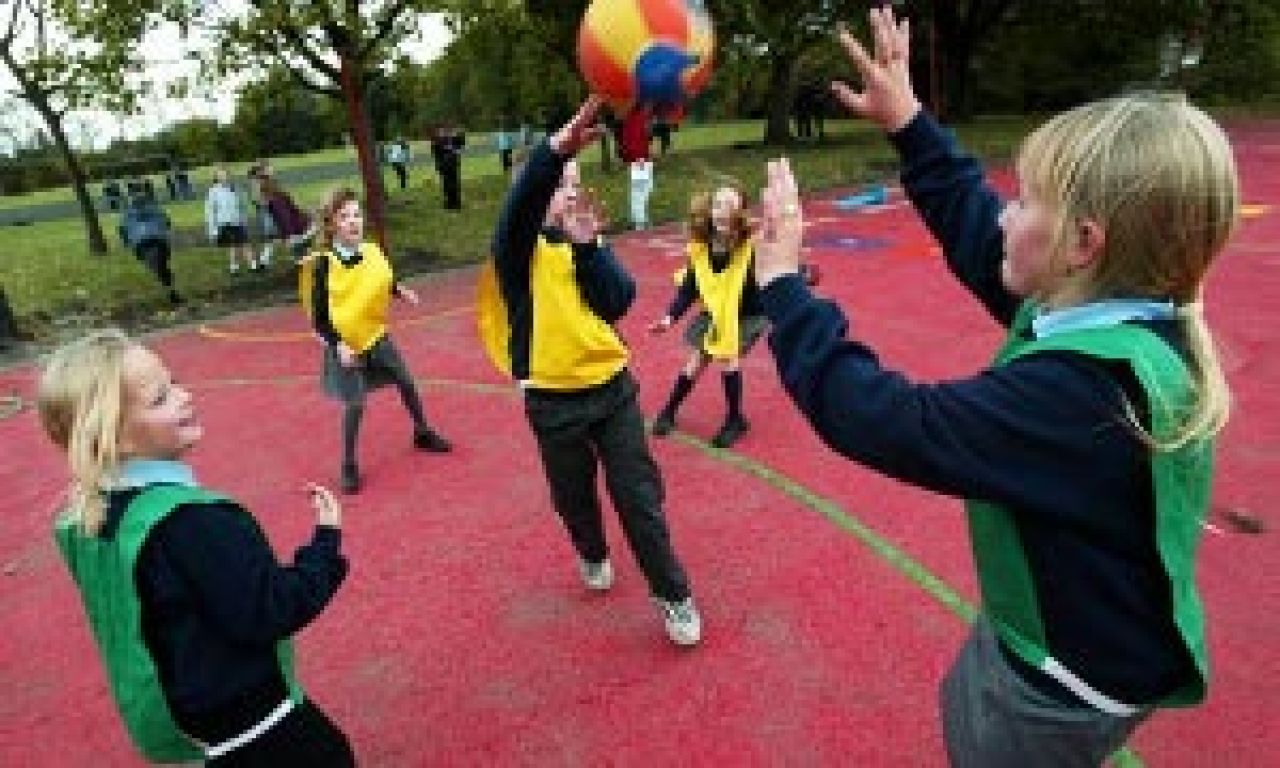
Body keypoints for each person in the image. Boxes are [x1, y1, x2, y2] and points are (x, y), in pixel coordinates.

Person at [752, 8, 1239, 767]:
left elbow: (890, 421)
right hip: (1083, 629)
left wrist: (783, 287)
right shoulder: (1110, 304)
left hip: (1060, 683)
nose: (1003, 209)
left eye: (1026, 199)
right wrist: (909, 123)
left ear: (1082, 245)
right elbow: (984, 239)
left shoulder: (1083, 395)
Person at [37, 329, 353, 765]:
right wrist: (325, 545)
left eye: (175, 381)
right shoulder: (193, 523)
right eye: (160, 398)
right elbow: (270, 608)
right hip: (252, 726)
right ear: (114, 435)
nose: (185, 396)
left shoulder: (83, 518)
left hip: (184, 724)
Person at [479, 95, 701, 647]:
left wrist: (588, 250)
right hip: (553, 404)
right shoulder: (517, 251)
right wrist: (554, 152)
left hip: (612, 391)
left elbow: (620, 300)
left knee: (639, 499)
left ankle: (673, 594)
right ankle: (592, 549)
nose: (570, 190)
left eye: (576, 181)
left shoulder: (583, 242)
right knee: (574, 500)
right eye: (562, 183)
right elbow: (524, 204)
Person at [301, 187, 452, 494]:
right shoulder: (324, 265)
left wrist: (399, 290)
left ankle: (422, 431)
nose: (354, 221)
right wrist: (339, 344)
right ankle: (348, 463)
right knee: (356, 404)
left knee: (407, 381)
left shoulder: (371, 251)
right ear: (331, 225)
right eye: (345, 217)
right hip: (346, 345)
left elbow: (381, 278)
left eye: (357, 214)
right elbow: (318, 317)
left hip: (375, 335)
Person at [649, 183, 764, 448]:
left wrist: (801, 274)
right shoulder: (701, 247)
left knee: (726, 356)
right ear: (710, 211)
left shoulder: (751, 246)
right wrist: (668, 318)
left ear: (741, 213)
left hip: (747, 313)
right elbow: (690, 288)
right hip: (718, 308)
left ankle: (735, 419)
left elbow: (776, 269)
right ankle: (670, 410)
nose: (723, 209)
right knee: (697, 360)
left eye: (730, 204)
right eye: (718, 204)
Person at [118, 194, 183, 306]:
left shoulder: (127, 215)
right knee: (162, 267)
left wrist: (128, 242)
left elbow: (123, 231)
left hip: (142, 244)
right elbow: (167, 223)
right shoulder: (155, 211)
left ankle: (168, 287)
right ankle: (169, 288)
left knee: (159, 267)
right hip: (156, 241)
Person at [205, 166, 257, 275]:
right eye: (222, 175)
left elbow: (242, 205)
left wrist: (244, 218)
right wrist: (213, 229)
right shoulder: (213, 191)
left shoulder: (236, 188)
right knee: (234, 245)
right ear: (217, 177)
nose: (225, 177)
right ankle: (234, 267)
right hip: (224, 222)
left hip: (237, 220)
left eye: (227, 175)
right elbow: (210, 211)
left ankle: (253, 265)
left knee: (245, 243)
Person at [260, 174, 314, 263]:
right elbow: (290, 212)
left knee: (299, 250)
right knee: (300, 249)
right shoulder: (279, 197)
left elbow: (287, 214)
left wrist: (289, 234)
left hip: (293, 227)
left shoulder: (275, 200)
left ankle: (264, 260)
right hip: (296, 226)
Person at [430, 124, 465, 211]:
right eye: (441, 131)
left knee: (455, 184)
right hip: (444, 166)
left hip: (453, 164)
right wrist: (438, 166)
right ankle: (449, 203)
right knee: (446, 185)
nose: (443, 133)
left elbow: (461, 144)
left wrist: (460, 134)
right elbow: (436, 155)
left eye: (445, 131)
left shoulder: (453, 139)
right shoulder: (437, 142)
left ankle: (456, 203)